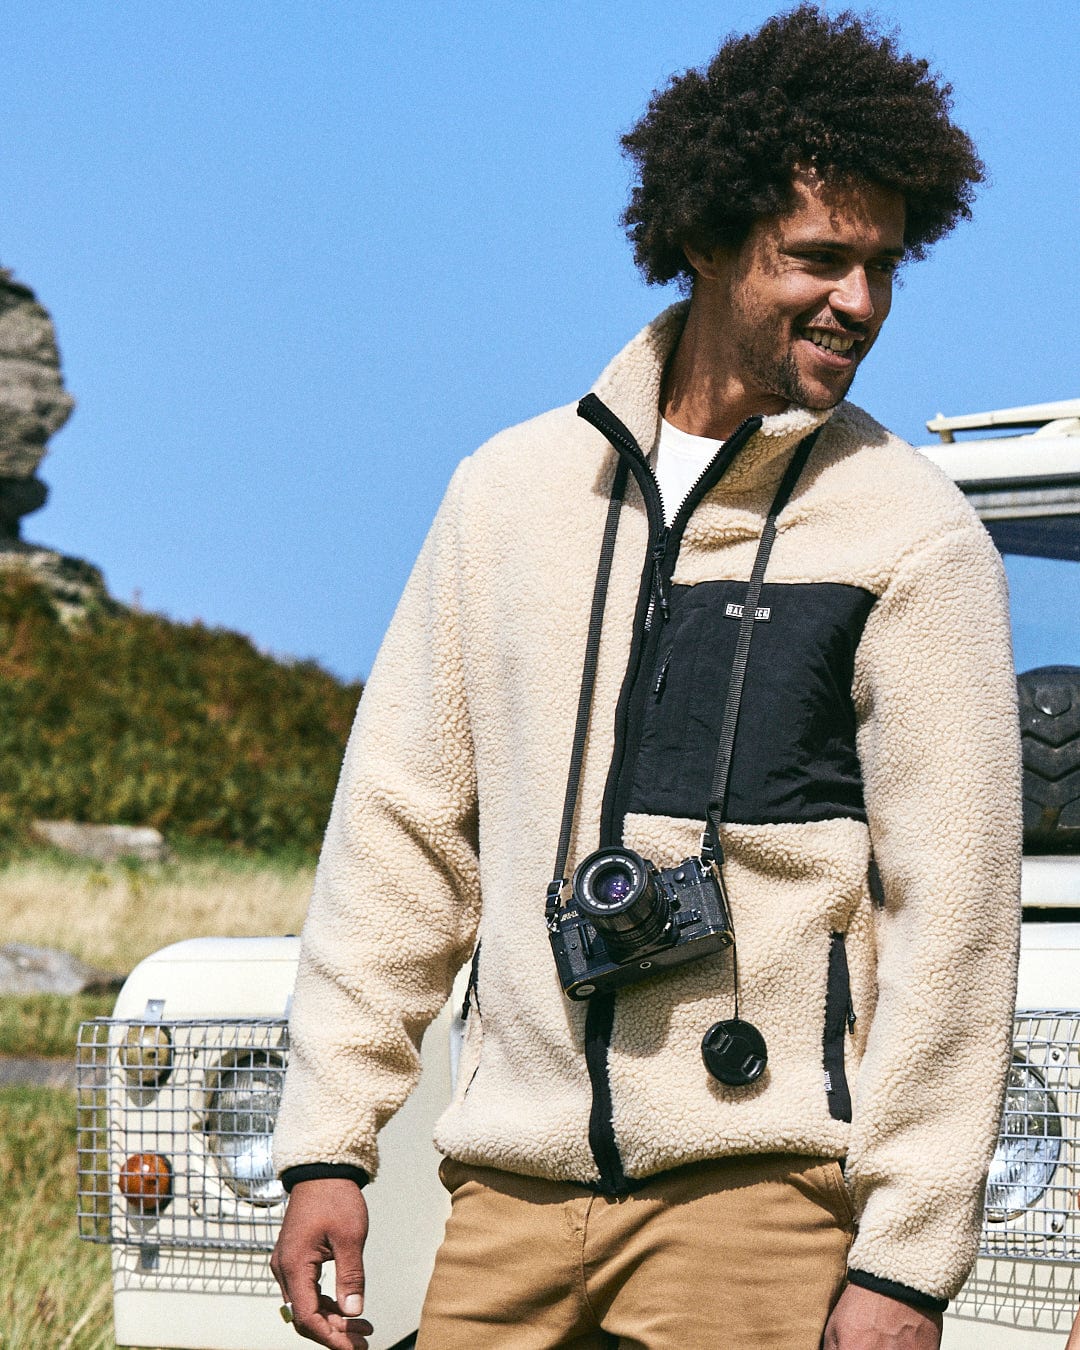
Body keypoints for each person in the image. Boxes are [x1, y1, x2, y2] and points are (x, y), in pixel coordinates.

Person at [270, 7, 1022, 1348]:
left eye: (882, 266)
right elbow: (398, 831)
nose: (859, 301)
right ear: (705, 235)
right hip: (506, 1191)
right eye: (819, 258)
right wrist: (328, 1140)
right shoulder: (505, 497)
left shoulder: (914, 534)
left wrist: (905, 1260)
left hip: (761, 1202)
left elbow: (953, 926)